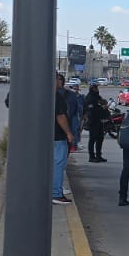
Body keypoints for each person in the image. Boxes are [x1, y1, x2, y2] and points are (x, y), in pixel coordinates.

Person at [51, 73, 75, 205]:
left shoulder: (43, 94)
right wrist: (69, 133)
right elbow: (60, 116)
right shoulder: (57, 97)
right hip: (58, 137)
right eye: (58, 79)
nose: (60, 81)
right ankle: (56, 193)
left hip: (48, 136)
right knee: (58, 164)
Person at [85, 84, 110, 163]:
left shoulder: (97, 97)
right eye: (96, 88)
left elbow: (102, 103)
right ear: (92, 89)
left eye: (97, 88)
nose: (97, 90)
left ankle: (98, 155)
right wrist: (100, 108)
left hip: (100, 121)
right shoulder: (90, 98)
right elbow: (91, 110)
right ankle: (91, 156)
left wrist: (104, 106)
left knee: (100, 138)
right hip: (93, 121)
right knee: (92, 139)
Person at [65, 81, 84, 153]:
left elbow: (81, 107)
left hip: (77, 116)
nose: (75, 90)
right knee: (74, 131)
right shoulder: (69, 97)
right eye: (74, 88)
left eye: (77, 89)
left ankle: (75, 145)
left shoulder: (80, 97)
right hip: (72, 116)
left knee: (77, 131)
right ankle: (73, 145)